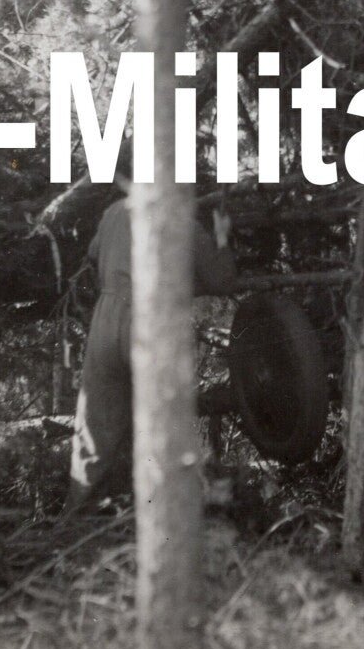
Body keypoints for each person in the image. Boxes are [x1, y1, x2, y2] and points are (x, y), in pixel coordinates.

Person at [67, 168, 238, 513]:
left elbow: (94, 254)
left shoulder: (115, 211)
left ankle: (76, 517)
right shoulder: (183, 222)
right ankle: (166, 519)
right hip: (150, 321)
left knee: (95, 427)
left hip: (107, 318)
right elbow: (223, 280)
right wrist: (221, 238)